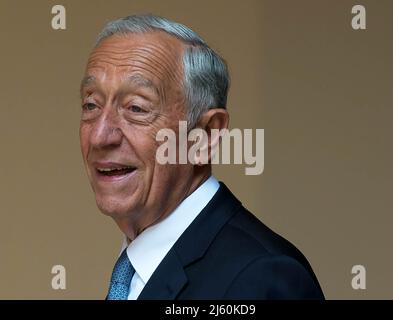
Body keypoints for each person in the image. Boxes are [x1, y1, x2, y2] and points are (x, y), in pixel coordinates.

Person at [79, 14, 324, 300]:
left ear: (206, 135)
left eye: (136, 108)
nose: (99, 136)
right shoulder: (134, 270)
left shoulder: (262, 279)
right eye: (91, 104)